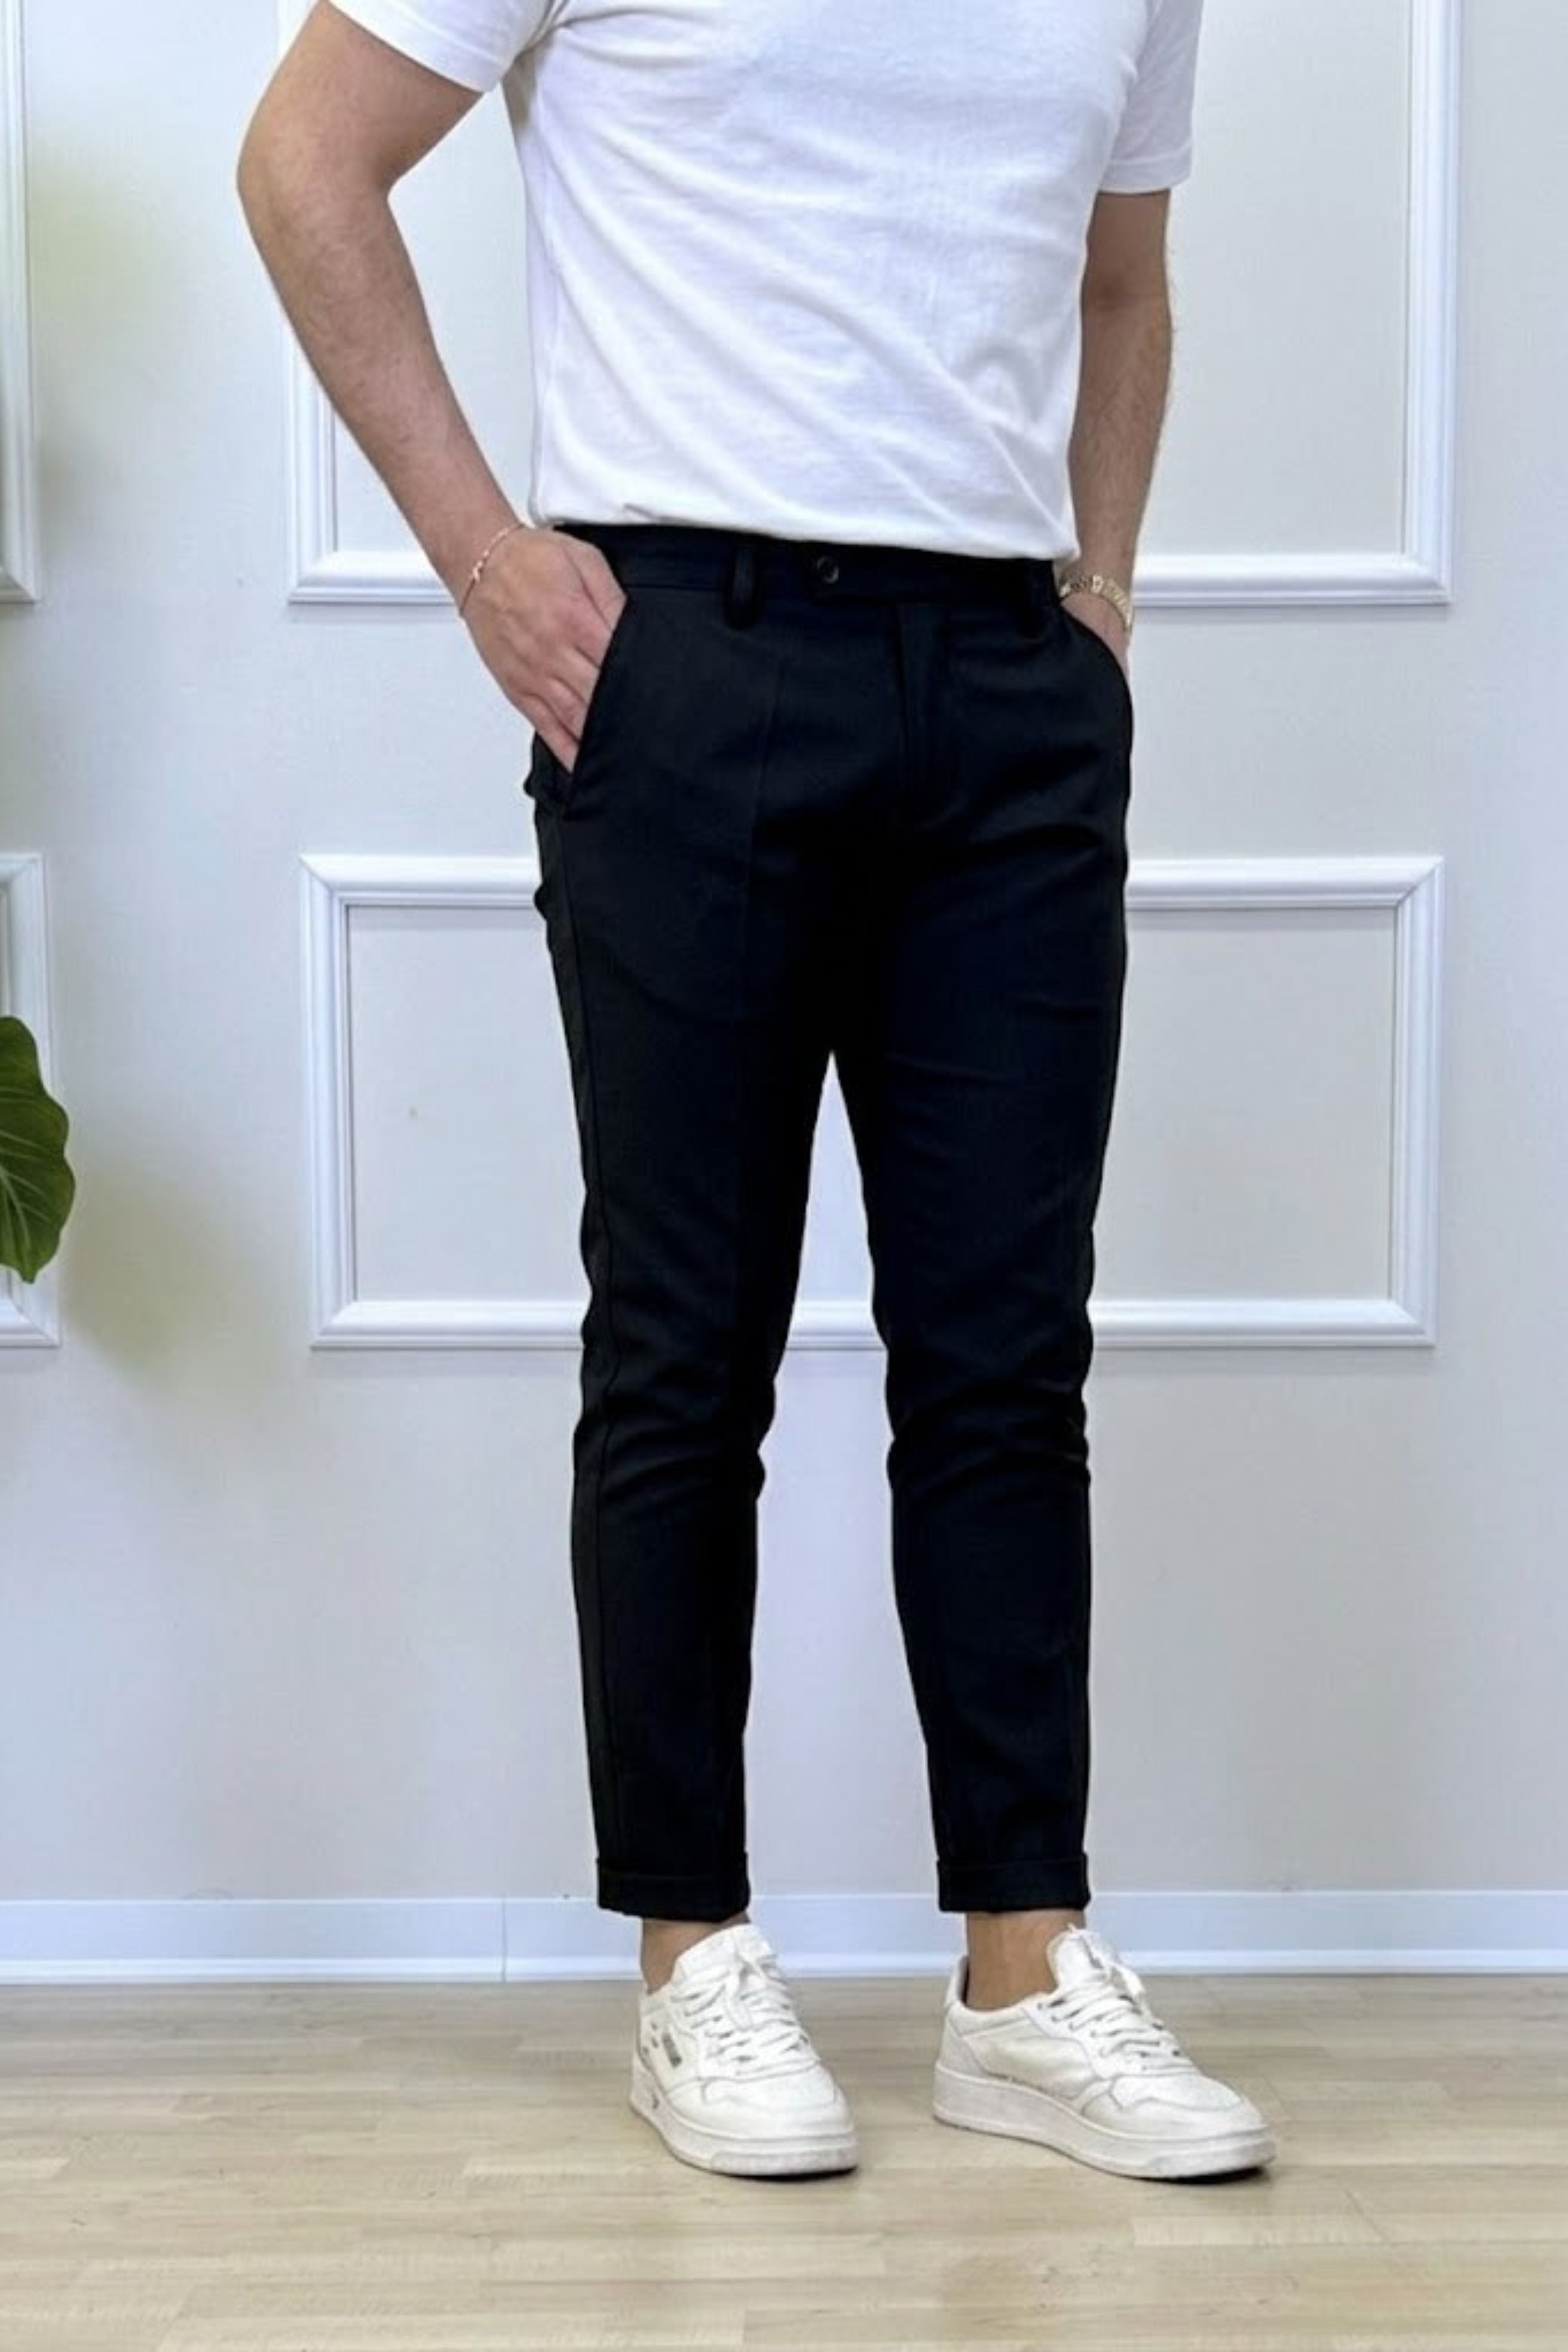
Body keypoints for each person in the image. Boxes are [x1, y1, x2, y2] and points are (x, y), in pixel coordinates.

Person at [238, 0, 1277, 2185]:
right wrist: (486, 558)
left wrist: (1100, 597)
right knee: (686, 1348)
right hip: (689, 653)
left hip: (1010, 685)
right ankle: (691, 1957)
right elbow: (306, 161)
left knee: (1005, 1355)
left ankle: (1024, 1977)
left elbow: (1124, 281)